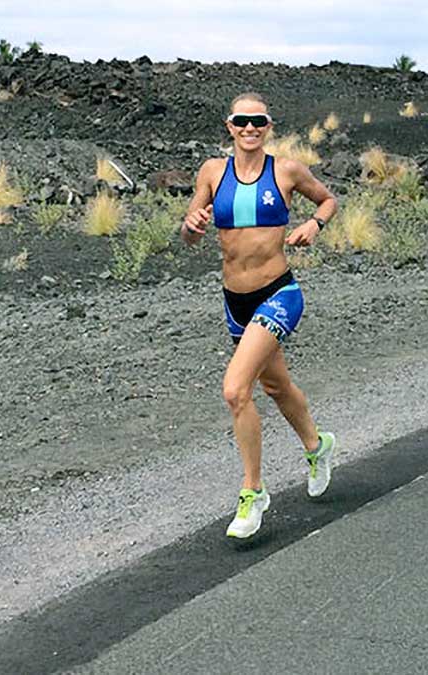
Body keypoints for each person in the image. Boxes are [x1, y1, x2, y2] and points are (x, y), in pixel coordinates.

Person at [180, 92, 339, 539]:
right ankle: (317, 445)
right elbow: (191, 230)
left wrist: (314, 224)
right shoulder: (212, 172)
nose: (250, 128)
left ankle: (253, 493)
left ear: (268, 126)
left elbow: (327, 201)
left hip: (279, 293)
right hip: (236, 301)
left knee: (236, 390)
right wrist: (190, 227)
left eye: (258, 122)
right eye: (241, 121)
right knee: (275, 384)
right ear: (229, 126)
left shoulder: (285, 170)